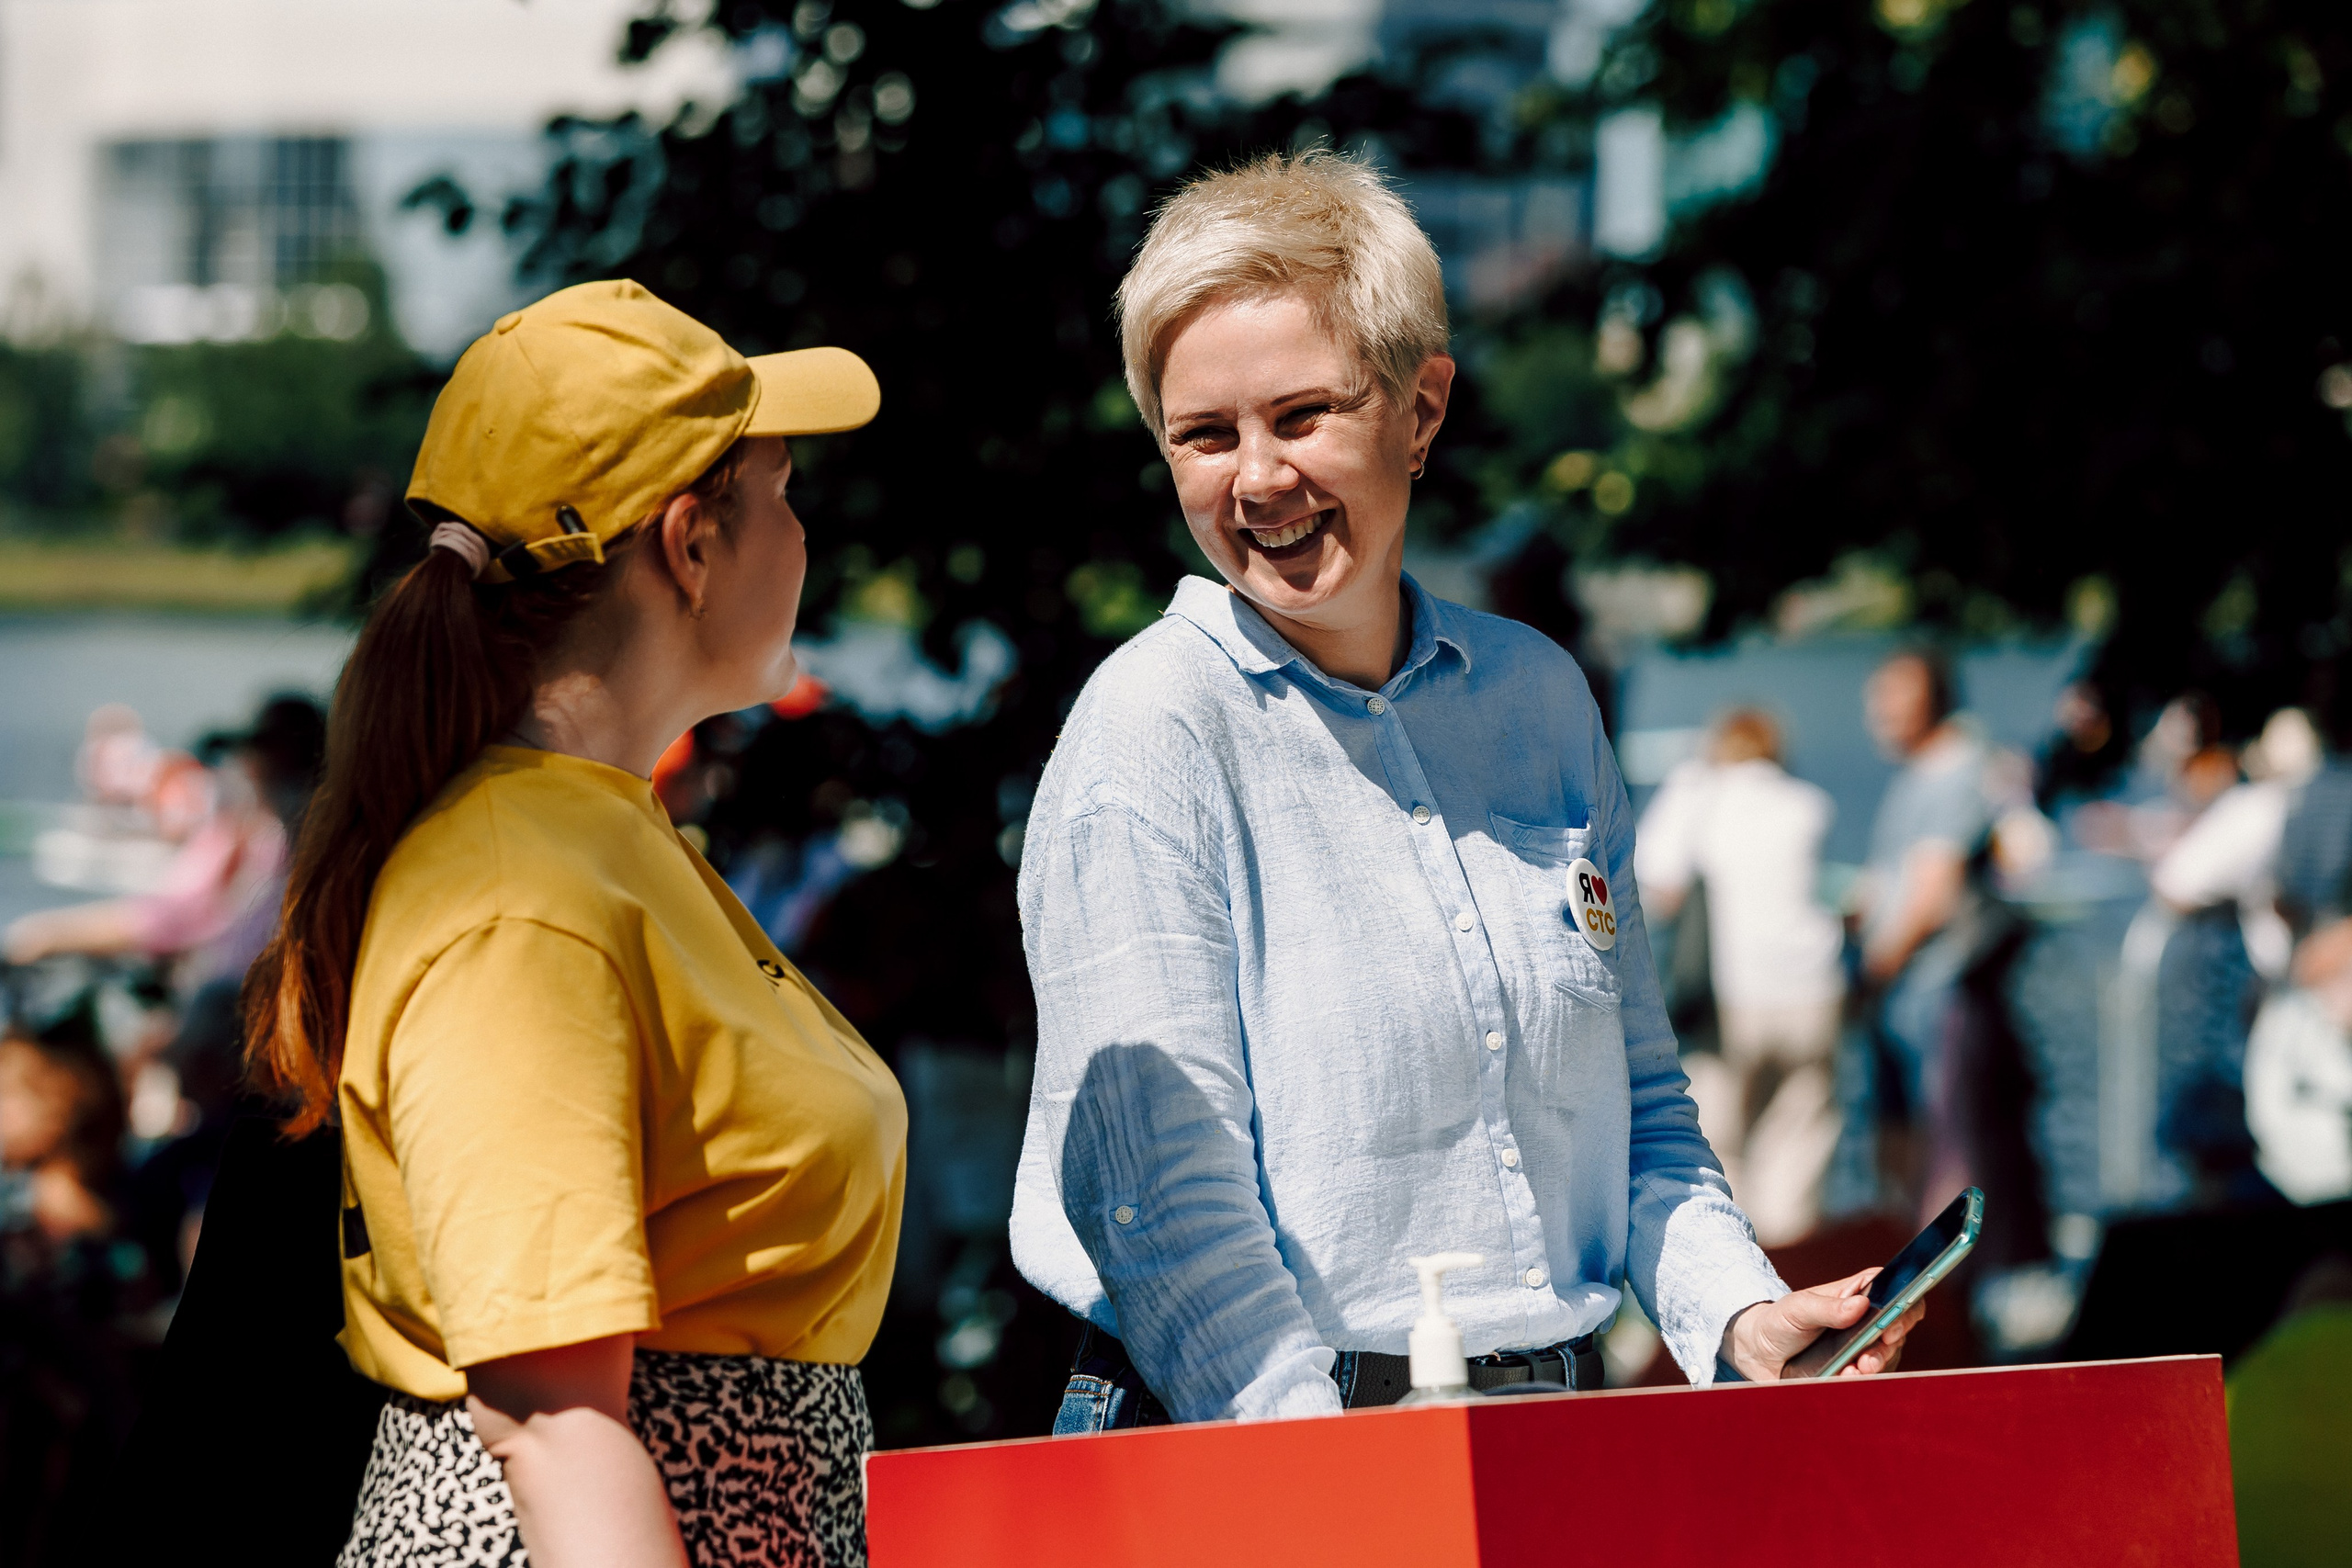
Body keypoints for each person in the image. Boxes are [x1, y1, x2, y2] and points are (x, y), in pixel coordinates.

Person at [1010, 152, 1918, 1432]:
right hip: (1250, 1438)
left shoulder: (1538, 700)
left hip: (1540, 1428)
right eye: (1204, 435)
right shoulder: (1150, 730)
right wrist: (1314, 1468)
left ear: (1422, 408)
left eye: (1303, 414)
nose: (1257, 477)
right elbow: (1165, 1192)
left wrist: (1734, 1311)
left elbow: (1639, 1103)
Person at [239, 280, 907, 1567]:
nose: (807, 538)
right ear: (692, 543)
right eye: (782, 492)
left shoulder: (599, 836)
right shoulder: (516, 898)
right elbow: (550, 1423)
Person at [1635, 708, 1845, 1246]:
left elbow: (1659, 886)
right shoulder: (1807, 803)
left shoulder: (1699, 792)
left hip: (1732, 999)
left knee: (1721, 1146)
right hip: (1813, 993)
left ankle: (1743, 1284)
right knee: (1799, 1142)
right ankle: (1793, 1273)